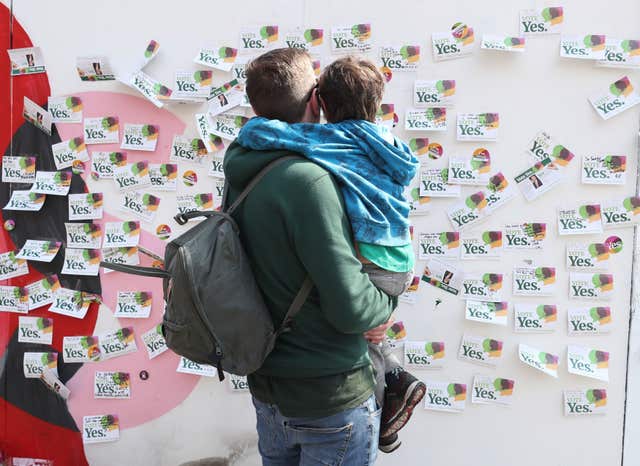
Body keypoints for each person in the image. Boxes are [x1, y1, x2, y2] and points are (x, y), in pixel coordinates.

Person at [237, 56, 425, 454]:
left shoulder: (243, 171)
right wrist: (385, 307)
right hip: (328, 396)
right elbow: (353, 310)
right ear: (314, 102)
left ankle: (393, 380)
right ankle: (392, 384)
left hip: (269, 389)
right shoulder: (310, 182)